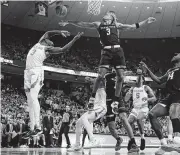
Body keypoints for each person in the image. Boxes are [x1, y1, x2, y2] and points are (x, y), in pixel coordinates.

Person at [59, 13, 156, 152]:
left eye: (109, 14)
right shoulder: (99, 25)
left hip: (117, 66)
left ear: (112, 18)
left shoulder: (117, 25)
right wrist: (68, 21)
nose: (107, 14)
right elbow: (83, 23)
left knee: (122, 105)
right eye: (106, 13)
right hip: (106, 72)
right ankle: (115, 136)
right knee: (110, 123)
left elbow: (132, 26)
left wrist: (146, 20)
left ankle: (132, 141)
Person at [140, 52, 180, 154]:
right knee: (152, 114)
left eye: (177, 54)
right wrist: (147, 69)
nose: (174, 55)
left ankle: (177, 142)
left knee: (173, 112)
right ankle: (164, 144)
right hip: (169, 97)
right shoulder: (170, 70)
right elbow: (159, 80)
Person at [24, 30, 83, 137]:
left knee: (33, 97)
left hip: (36, 72)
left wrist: (74, 39)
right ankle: (32, 128)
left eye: (50, 41)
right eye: (48, 39)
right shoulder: (39, 42)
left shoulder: (47, 48)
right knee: (29, 101)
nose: (49, 39)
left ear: (49, 44)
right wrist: (60, 32)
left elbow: (63, 49)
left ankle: (38, 127)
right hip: (27, 72)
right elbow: (49, 32)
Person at [69, 77, 107, 151]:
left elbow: (100, 81)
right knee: (78, 123)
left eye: (92, 84)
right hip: (94, 109)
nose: (91, 86)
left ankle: (93, 140)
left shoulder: (101, 89)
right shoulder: (95, 92)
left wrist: (91, 79)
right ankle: (77, 144)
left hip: (101, 108)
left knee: (84, 118)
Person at [125, 69, 156, 151]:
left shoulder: (146, 87)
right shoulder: (133, 88)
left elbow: (154, 98)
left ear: (142, 80)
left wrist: (147, 99)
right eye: (137, 78)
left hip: (144, 108)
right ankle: (131, 141)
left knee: (139, 119)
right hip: (135, 108)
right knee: (128, 122)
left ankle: (142, 137)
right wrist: (128, 93)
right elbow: (126, 99)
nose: (138, 79)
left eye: (139, 78)